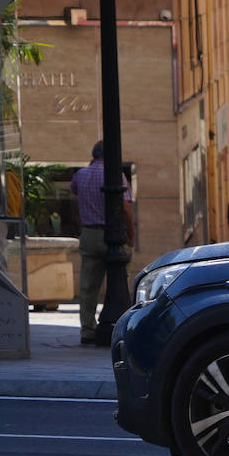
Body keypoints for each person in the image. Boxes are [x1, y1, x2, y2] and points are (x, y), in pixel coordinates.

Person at [69, 141, 134, 346]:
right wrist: (131, 235)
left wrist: (82, 222)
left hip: (88, 233)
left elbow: (75, 197)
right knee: (119, 283)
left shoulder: (80, 175)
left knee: (88, 287)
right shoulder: (116, 175)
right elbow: (125, 208)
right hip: (111, 234)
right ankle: (120, 325)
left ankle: (87, 330)